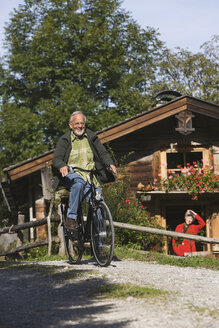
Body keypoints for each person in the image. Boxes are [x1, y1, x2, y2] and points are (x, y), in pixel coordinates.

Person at [52, 111, 117, 230]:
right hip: (72, 174)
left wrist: (110, 163)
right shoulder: (65, 140)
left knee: (99, 207)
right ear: (70, 125)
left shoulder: (91, 137)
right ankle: (71, 217)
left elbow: (103, 153)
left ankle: (99, 245)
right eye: (76, 123)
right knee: (78, 182)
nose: (80, 126)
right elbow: (56, 159)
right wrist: (62, 165)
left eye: (82, 123)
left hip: (90, 176)